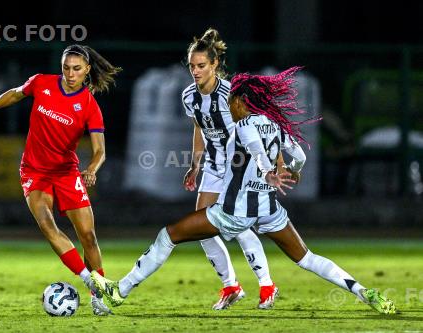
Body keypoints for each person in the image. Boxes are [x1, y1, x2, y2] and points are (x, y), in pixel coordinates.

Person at [90, 67, 397, 315]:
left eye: (233, 100)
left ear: (244, 101)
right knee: (307, 258)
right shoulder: (275, 125)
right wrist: (292, 173)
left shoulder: (243, 125)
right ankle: (362, 292)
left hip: (234, 213)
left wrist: (267, 170)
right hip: (269, 211)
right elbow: (299, 155)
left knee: (168, 234)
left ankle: (121, 290)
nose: (229, 105)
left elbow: (254, 150)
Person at [0, 44, 121, 316]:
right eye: (66, 67)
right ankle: (94, 285)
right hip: (34, 170)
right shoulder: (41, 83)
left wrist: (91, 168)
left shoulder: (89, 105)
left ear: (87, 70)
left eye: (77, 69)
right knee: (46, 224)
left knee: (88, 236)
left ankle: (97, 292)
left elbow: (100, 150)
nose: (70, 73)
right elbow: (16, 94)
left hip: (67, 172)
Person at [181, 28, 278, 310]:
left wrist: (266, 162)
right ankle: (231, 286)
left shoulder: (231, 94)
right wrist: (194, 166)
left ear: (214, 65)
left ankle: (267, 285)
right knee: (203, 227)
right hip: (213, 166)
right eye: (192, 66)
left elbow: (254, 127)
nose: (196, 71)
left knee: (235, 226)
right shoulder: (189, 96)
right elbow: (199, 128)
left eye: (201, 66)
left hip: (239, 166)